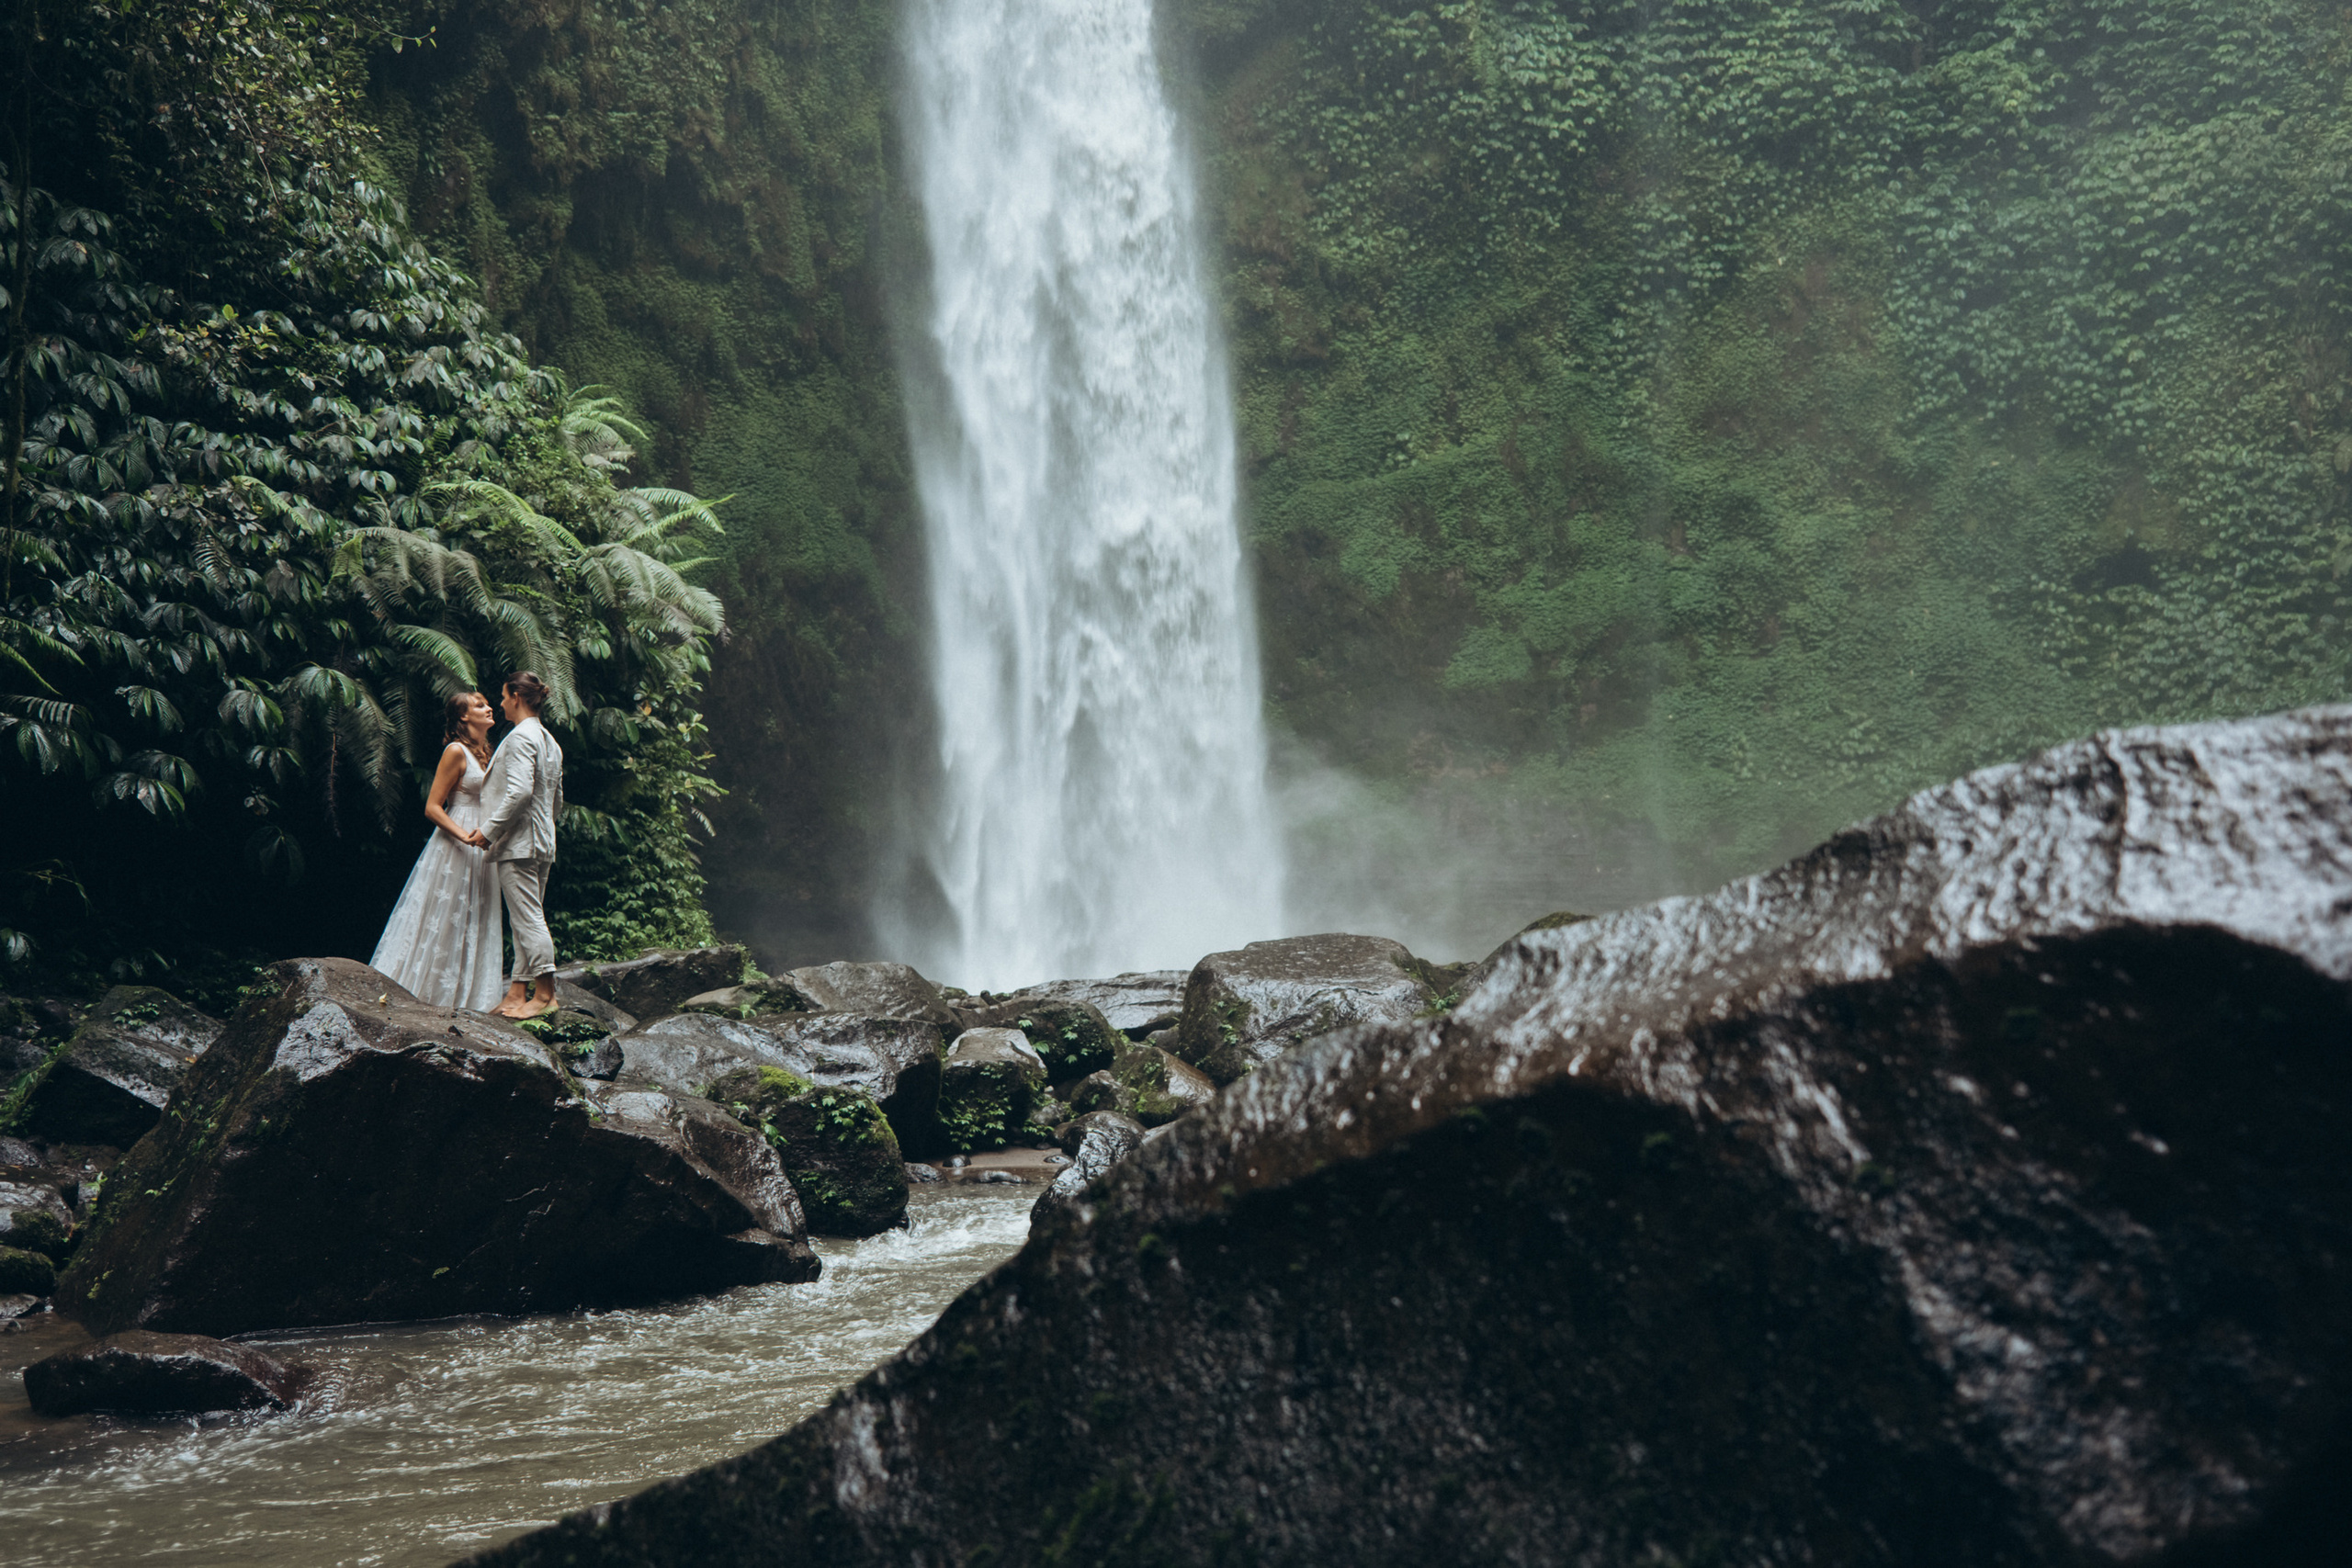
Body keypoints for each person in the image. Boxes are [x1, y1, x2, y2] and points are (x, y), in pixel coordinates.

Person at [367, 692, 506, 1010]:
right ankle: (423, 993)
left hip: (484, 842)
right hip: (457, 841)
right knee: (444, 913)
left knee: (476, 913)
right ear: (463, 718)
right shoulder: (455, 752)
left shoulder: (488, 751)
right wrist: (465, 836)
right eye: (480, 706)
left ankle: (469, 997)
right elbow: (432, 807)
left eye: (487, 703)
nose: (488, 709)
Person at [481, 671, 566, 1020]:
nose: (500, 704)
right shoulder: (549, 740)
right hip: (542, 840)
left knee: (528, 919)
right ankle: (517, 992)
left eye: (502, 697)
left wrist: (488, 831)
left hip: (518, 844)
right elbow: (556, 800)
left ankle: (545, 995)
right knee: (524, 919)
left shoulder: (519, 738)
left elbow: (519, 792)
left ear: (516, 696)